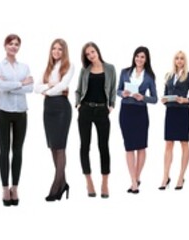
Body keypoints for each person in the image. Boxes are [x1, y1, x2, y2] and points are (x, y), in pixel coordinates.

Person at [0, 34, 30, 206]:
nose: (13, 46)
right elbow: (0, 86)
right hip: (3, 112)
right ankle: (5, 188)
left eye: (16, 44)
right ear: (5, 46)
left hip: (21, 112)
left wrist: (13, 84)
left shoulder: (24, 66)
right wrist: (21, 83)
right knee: (4, 150)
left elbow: (29, 88)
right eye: (11, 44)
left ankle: (15, 187)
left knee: (18, 151)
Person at [75, 42, 117, 198]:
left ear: (97, 51)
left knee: (103, 146)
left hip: (102, 110)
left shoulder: (110, 68)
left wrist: (111, 106)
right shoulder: (84, 71)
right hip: (85, 110)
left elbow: (113, 89)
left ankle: (105, 183)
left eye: (92, 52)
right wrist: (78, 105)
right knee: (85, 145)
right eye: (88, 54)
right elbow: (78, 90)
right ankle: (89, 182)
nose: (91, 55)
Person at [117, 46, 157, 194]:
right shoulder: (124, 72)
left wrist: (143, 97)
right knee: (129, 147)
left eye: (142, 57)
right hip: (126, 112)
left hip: (140, 112)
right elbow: (117, 90)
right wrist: (123, 93)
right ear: (134, 57)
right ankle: (133, 180)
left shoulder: (149, 77)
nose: (139, 59)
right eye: (137, 56)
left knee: (141, 146)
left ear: (146, 60)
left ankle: (136, 178)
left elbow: (154, 99)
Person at [159, 51, 189, 190]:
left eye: (182, 58)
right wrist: (164, 100)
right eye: (177, 58)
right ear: (174, 60)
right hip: (170, 111)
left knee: (184, 143)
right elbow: (165, 94)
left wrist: (185, 100)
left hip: (183, 112)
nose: (179, 60)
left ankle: (181, 176)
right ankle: (165, 176)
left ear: (185, 61)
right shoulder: (169, 76)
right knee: (168, 144)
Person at [39, 39, 73, 202]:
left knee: (60, 148)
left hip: (61, 108)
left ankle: (56, 186)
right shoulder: (49, 67)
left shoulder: (69, 66)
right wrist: (50, 87)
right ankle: (63, 183)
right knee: (52, 147)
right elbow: (36, 87)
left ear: (64, 51)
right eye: (54, 48)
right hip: (48, 109)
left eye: (60, 49)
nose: (57, 51)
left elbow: (62, 86)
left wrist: (48, 88)